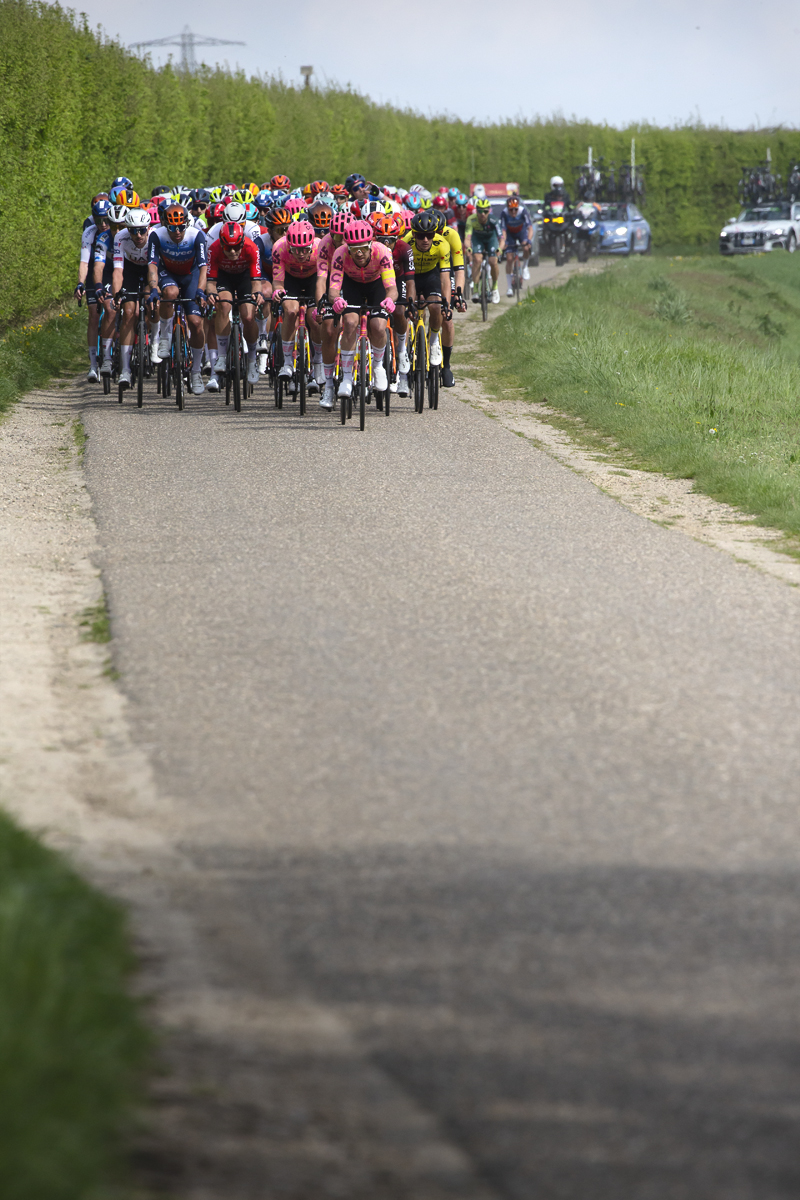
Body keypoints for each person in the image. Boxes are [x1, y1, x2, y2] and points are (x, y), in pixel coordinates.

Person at [327, 219, 397, 405]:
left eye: (363, 248)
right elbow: (333, 289)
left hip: (376, 285)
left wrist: (390, 300)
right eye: (354, 248)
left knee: (379, 326)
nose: (359, 253)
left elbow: (392, 288)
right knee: (350, 323)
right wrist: (336, 300)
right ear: (347, 247)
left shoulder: (382, 252)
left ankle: (378, 366)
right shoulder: (340, 254)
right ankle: (346, 377)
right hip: (352, 285)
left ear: (370, 245)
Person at [147, 203, 208, 395]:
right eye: (172, 228)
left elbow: (204, 267)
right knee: (170, 294)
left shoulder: (196, 235)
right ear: (165, 225)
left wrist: (200, 291)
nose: (177, 232)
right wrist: (154, 287)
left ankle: (196, 372)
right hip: (168, 274)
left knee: (195, 323)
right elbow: (152, 265)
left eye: (181, 227)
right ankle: (165, 337)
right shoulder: (156, 235)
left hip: (191, 275)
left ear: (186, 224)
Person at [206, 222, 263, 389]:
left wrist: (257, 294)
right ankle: (222, 357)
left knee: (248, 316)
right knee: (223, 306)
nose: (232, 252)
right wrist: (211, 294)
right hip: (224, 277)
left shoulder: (252, 248)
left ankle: (252, 359)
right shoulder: (214, 249)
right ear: (221, 244)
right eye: (228, 248)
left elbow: (256, 282)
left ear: (242, 242)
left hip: (245, 277)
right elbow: (211, 283)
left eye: (236, 247)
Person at [272, 220, 322, 395]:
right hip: (290, 280)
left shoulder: (320, 248)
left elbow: (323, 279)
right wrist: (278, 291)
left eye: (305, 249)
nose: (300, 254)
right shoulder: (279, 247)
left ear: (311, 245)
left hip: (313, 280)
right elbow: (278, 281)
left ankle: (318, 364)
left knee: (314, 318)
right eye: (296, 250)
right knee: (291, 311)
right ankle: (287, 362)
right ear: (289, 245)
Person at [402, 209, 451, 370]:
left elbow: (445, 278)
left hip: (431, 275)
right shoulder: (405, 244)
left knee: (436, 306)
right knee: (407, 309)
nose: (425, 240)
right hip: (411, 276)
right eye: (420, 236)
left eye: (429, 235)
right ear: (413, 234)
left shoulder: (442, 244)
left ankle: (434, 341)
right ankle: (405, 348)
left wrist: (446, 303)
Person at [110, 208, 154, 388]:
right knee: (128, 313)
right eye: (134, 231)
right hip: (130, 270)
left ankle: (151, 338)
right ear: (127, 229)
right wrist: (117, 295)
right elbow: (118, 271)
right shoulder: (120, 237)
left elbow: (156, 269)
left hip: (151, 269)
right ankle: (125, 370)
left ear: (148, 227)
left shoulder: (155, 237)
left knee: (152, 303)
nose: (138, 235)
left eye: (142, 230)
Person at [76, 196, 111, 381]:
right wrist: (80, 283)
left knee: (111, 309)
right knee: (93, 315)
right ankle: (92, 365)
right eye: (98, 220)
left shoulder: (118, 231)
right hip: (94, 271)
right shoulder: (89, 232)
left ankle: (109, 354)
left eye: (106, 220)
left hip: (112, 271)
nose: (103, 224)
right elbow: (84, 262)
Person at [464, 199, 503, 304]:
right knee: (477, 260)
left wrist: (500, 249)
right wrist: (468, 248)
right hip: (478, 239)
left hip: (491, 239)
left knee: (493, 261)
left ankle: (494, 288)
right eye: (480, 211)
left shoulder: (494, 220)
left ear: (489, 211)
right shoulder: (471, 219)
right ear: (476, 211)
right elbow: (467, 238)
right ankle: (476, 290)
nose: (482, 214)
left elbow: (501, 238)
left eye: (485, 211)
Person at [499, 195, 533, 296]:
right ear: (508, 209)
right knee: (509, 259)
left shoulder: (523, 211)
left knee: (526, 247)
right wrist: (504, 242)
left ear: (518, 208)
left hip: (521, 232)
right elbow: (503, 230)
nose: (513, 212)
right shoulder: (504, 213)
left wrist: (528, 240)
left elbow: (530, 228)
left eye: (515, 209)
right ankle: (509, 287)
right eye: (511, 210)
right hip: (510, 234)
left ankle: (525, 267)